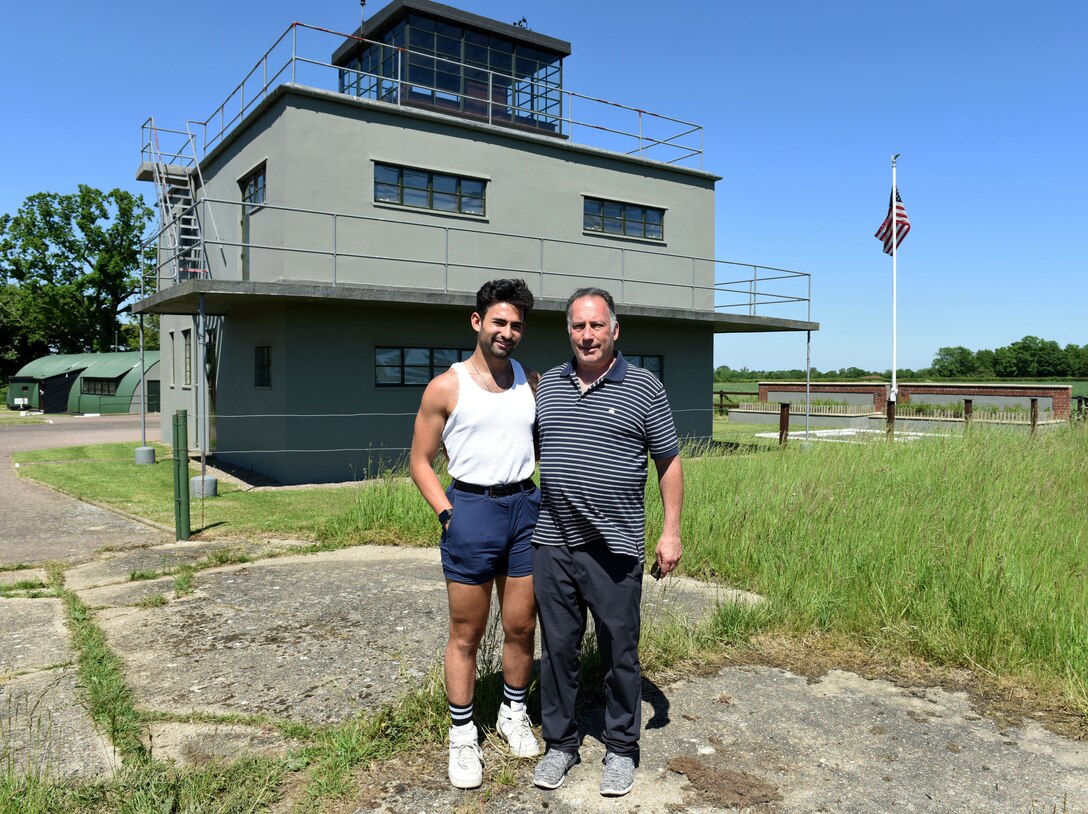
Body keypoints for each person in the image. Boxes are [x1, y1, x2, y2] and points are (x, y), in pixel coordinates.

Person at [530, 287, 683, 797]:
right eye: (578, 326)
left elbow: (669, 463)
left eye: (597, 326)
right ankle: (561, 743)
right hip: (552, 542)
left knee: (620, 651)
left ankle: (620, 748)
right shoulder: (547, 386)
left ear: (615, 331)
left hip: (615, 549)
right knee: (557, 651)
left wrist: (670, 530)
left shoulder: (644, 387)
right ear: (568, 331)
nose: (587, 335)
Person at [409, 278, 542, 790]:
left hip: (524, 508)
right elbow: (419, 461)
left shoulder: (530, 381)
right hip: (471, 509)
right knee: (466, 633)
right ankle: (462, 736)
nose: (507, 332)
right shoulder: (448, 386)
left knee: (521, 626)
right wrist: (448, 514)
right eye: (499, 322)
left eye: (516, 325)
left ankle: (513, 713)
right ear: (477, 322)